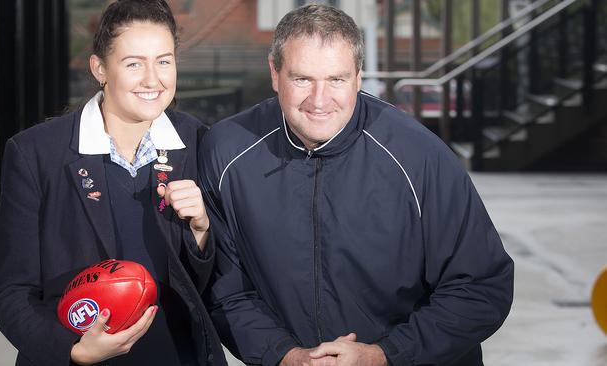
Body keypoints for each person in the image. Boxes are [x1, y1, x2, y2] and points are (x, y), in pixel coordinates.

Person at [199, 4, 514, 366]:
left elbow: (481, 286)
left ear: (358, 77)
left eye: (337, 79)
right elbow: (225, 290)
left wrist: (384, 355)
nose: (319, 100)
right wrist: (285, 356)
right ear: (275, 73)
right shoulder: (227, 152)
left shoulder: (419, 157)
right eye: (302, 79)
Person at [0, 1, 226, 365]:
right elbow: (10, 293)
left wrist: (201, 232)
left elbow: (214, 284)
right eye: (134, 63)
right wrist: (73, 349)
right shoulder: (36, 154)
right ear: (100, 68)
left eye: (164, 61)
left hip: (177, 356)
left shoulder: (199, 142)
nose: (153, 79)